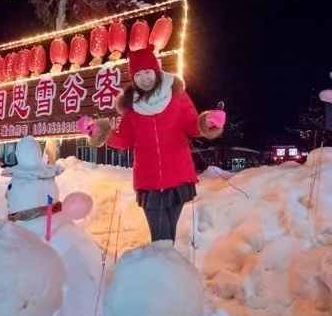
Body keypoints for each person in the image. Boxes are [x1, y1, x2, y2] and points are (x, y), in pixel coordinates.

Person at [78, 48, 225, 242]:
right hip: (148, 180)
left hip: (178, 175)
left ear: (157, 70)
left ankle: (166, 269)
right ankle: (163, 267)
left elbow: (192, 126)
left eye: (148, 72)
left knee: (168, 235)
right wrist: (97, 131)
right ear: (133, 78)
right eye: (138, 74)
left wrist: (208, 122)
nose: (144, 78)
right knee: (160, 237)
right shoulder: (131, 107)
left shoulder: (178, 96)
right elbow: (125, 141)